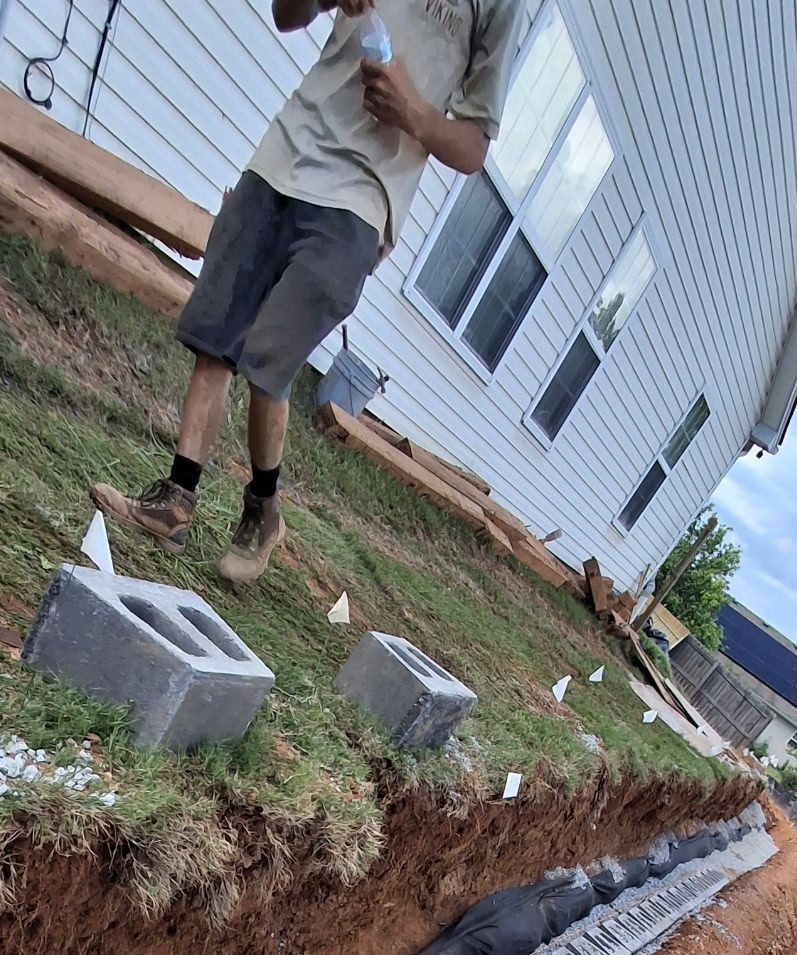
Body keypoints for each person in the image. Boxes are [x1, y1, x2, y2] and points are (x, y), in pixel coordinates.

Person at [91, 0, 520, 586]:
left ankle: (263, 509)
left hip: (364, 197)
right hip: (284, 157)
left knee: (271, 353)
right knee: (217, 332)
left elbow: (471, 148)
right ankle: (176, 500)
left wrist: (415, 114)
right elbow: (286, 13)